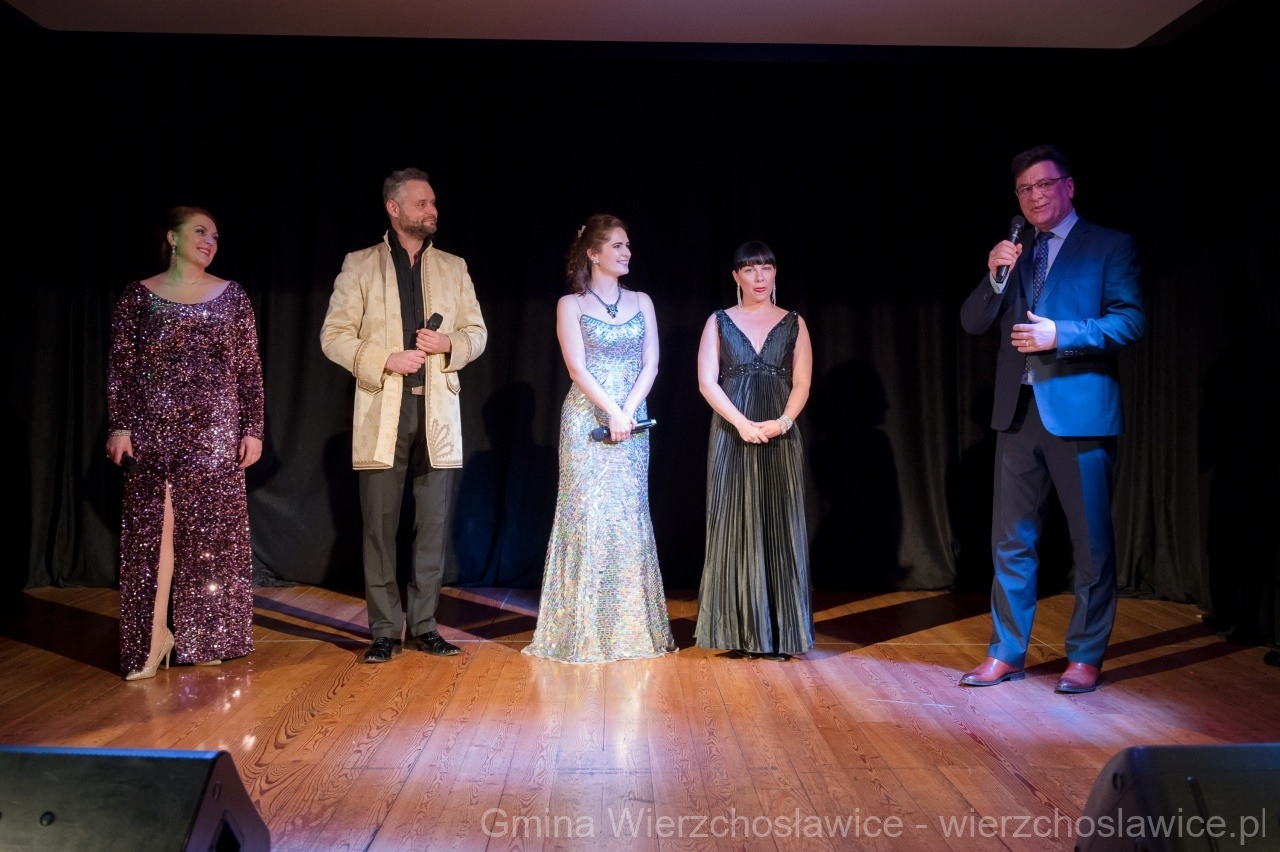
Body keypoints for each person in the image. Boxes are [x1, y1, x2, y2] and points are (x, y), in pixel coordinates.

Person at [959, 145, 1145, 693]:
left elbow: (1130, 320)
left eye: (1044, 184)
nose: (1035, 196)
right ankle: (1006, 652)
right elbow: (972, 321)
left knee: (1090, 544)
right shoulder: (1016, 252)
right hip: (1017, 414)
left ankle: (1085, 655)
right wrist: (995, 276)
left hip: (1079, 413)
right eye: (1025, 189)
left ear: (1069, 186)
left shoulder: (1109, 245)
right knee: (1010, 541)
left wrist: (1060, 334)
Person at [320, 168, 488, 663]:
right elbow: (333, 335)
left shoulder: (453, 267)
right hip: (384, 411)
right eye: (421, 203)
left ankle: (425, 625)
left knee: (432, 525)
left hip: (436, 412)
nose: (432, 210)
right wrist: (384, 359)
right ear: (393, 208)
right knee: (379, 526)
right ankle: (384, 630)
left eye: (433, 202)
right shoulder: (360, 265)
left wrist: (449, 342)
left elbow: (477, 332)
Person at [106, 206, 265, 680]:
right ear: (172, 238)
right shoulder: (138, 297)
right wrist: (119, 426)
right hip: (153, 430)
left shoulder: (232, 296)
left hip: (215, 431)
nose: (210, 240)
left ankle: (207, 637)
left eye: (215, 235)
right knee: (155, 536)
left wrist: (253, 428)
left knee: (210, 539)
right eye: (200, 231)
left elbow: (249, 370)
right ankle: (152, 640)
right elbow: (122, 368)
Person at [523, 214, 676, 663]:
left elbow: (650, 364)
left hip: (632, 419)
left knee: (627, 516)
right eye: (617, 246)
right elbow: (577, 368)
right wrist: (611, 410)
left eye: (628, 245)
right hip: (587, 421)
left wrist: (628, 412)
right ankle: (581, 635)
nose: (627, 253)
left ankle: (630, 632)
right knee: (587, 516)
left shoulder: (642, 301)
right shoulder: (570, 305)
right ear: (593, 253)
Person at [693, 241, 815, 661]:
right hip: (732, 433)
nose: (760, 277)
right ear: (736, 276)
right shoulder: (718, 321)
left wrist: (783, 422)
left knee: (781, 524)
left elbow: (801, 381)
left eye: (766, 268)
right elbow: (707, 382)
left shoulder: (794, 322)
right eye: (750, 269)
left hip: (780, 434)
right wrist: (741, 423)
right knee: (733, 523)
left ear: (775, 273)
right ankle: (739, 631)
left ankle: (783, 634)